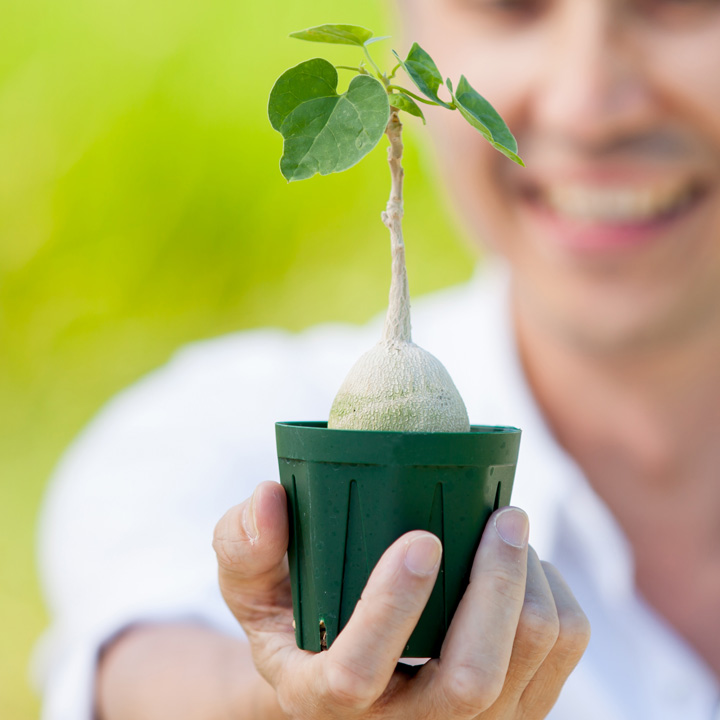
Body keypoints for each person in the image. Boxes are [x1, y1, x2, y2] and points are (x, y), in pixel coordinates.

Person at [35, 0, 720, 718]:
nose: (587, 105)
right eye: (509, 5)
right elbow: (146, 667)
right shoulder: (209, 435)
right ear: (408, 23)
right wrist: (283, 697)